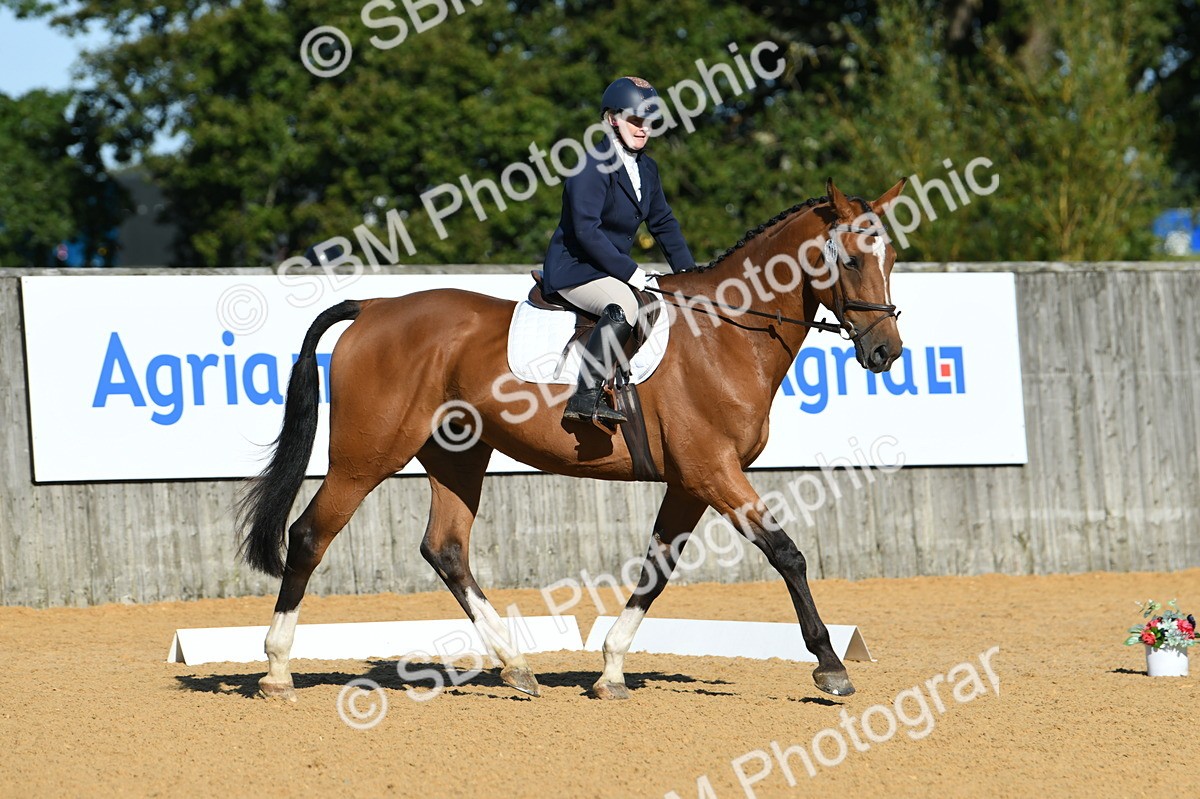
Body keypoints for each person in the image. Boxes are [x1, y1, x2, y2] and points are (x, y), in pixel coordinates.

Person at [542, 76, 696, 424]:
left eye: (649, 121)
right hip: (576, 269)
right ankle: (585, 396)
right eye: (635, 120)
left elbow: (663, 223)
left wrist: (690, 275)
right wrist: (631, 273)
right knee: (625, 305)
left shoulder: (647, 169)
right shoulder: (591, 165)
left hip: (608, 269)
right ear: (613, 118)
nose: (643, 129)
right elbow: (586, 231)